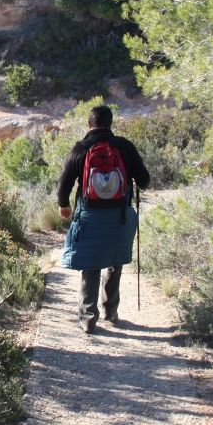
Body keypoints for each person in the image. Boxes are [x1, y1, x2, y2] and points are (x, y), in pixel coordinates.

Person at [57, 104, 150, 333]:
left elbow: (63, 185)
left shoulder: (81, 148)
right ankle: (111, 311)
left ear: (89, 125)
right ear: (111, 124)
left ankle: (88, 319)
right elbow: (145, 180)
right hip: (118, 215)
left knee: (90, 265)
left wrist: (64, 205)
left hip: (89, 215)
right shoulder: (124, 146)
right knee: (114, 261)